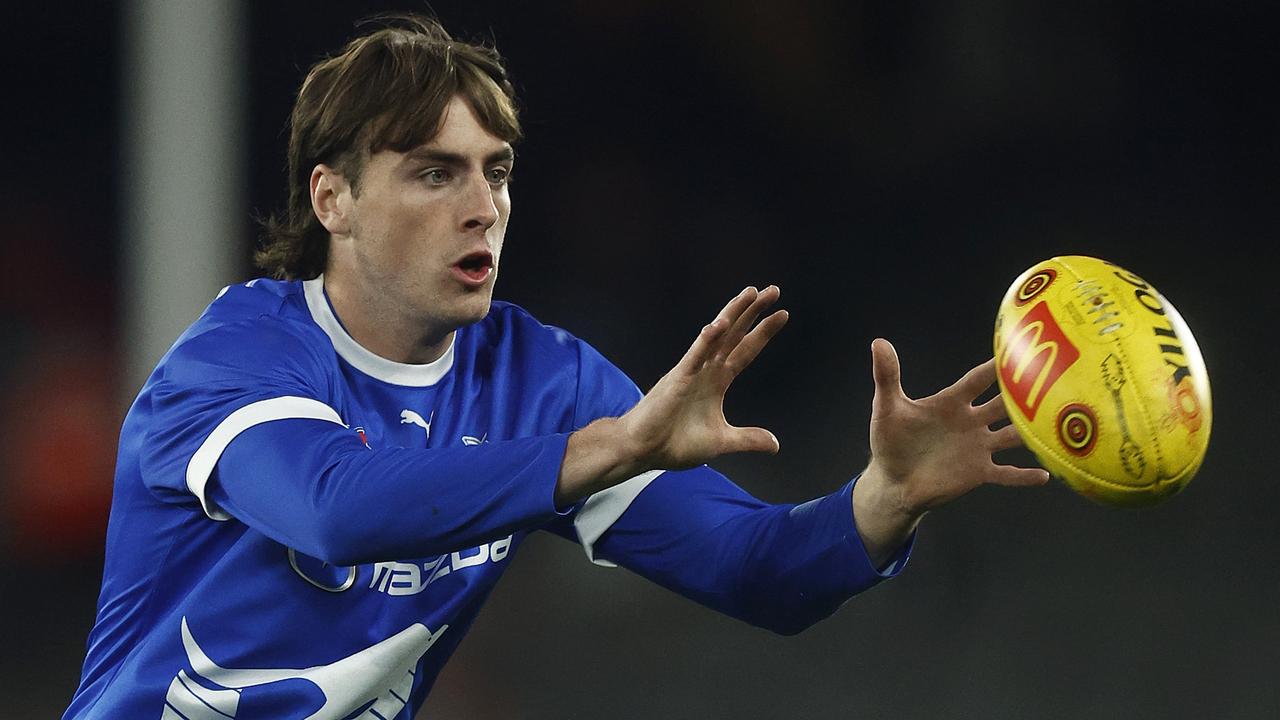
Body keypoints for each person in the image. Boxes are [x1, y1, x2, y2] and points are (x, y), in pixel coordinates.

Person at [64, 15, 1047, 719]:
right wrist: (608, 447)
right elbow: (334, 509)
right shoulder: (234, 356)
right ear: (334, 199)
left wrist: (884, 499)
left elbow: (761, 574)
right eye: (432, 171)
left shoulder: (540, 383)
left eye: (494, 170)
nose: (481, 204)